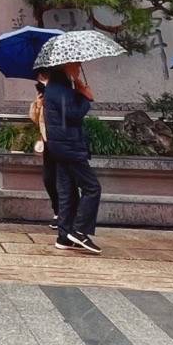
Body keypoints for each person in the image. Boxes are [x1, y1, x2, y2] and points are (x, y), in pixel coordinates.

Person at [43, 61, 103, 254]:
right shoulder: (59, 90)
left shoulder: (59, 88)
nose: (78, 68)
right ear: (65, 67)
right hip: (68, 146)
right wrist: (86, 96)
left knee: (67, 191)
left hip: (61, 146)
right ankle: (79, 230)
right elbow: (73, 114)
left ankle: (64, 235)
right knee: (92, 188)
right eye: (75, 65)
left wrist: (77, 90)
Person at [29, 68, 57, 225]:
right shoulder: (43, 94)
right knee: (49, 179)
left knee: (61, 179)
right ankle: (58, 210)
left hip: (59, 141)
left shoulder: (60, 91)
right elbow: (34, 118)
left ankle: (62, 215)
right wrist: (39, 103)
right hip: (47, 141)